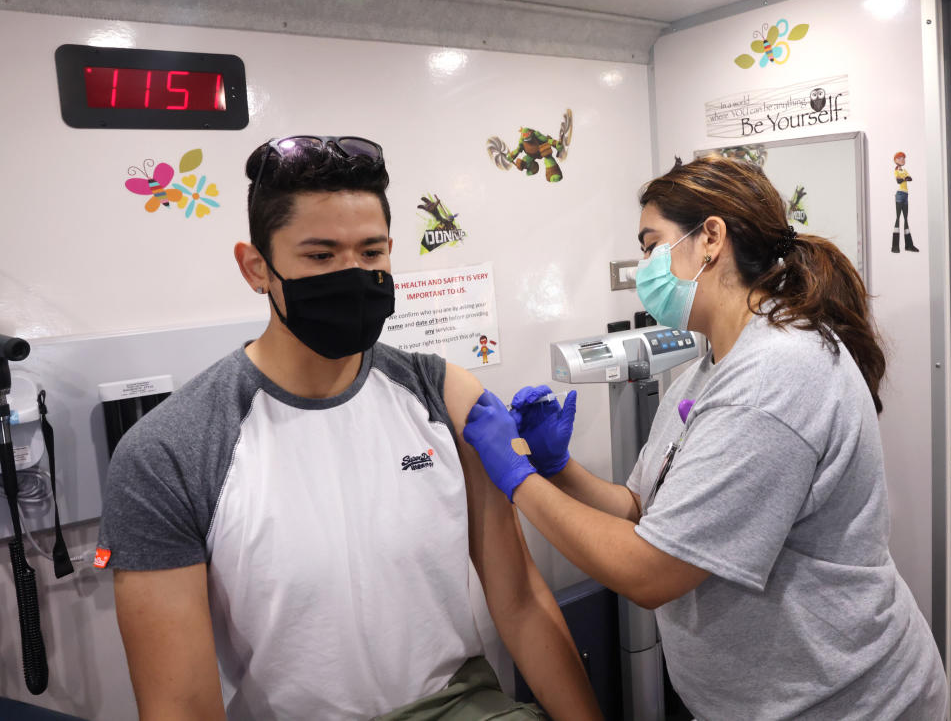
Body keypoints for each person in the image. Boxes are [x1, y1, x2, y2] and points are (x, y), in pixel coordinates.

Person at [96, 136, 602, 721]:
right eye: (320, 255)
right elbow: (180, 706)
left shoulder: (444, 395)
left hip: (461, 707)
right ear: (256, 267)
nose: (352, 274)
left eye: (370, 253)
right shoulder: (170, 453)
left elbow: (518, 600)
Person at [461, 155, 947, 719]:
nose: (644, 266)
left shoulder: (775, 374)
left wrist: (514, 477)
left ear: (710, 238)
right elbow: (642, 507)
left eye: (651, 245)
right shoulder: (711, 367)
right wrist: (555, 466)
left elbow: (649, 572)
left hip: (847, 703)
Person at [892, 151, 919, 253]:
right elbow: (898, 181)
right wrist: (905, 178)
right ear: (895, 160)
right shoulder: (896, 170)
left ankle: (909, 245)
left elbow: (910, 178)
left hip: (905, 195)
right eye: (900, 158)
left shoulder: (904, 170)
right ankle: (895, 246)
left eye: (903, 158)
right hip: (899, 194)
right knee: (898, 218)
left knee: (906, 219)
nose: (902, 160)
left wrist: (905, 178)